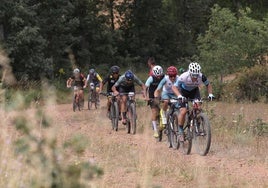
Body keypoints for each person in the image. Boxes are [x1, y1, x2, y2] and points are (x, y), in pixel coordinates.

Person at [172, 62, 215, 141]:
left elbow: (208, 85)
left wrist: (210, 94)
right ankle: (181, 131)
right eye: (193, 75)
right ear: (190, 73)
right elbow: (174, 87)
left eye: (197, 75)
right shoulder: (184, 76)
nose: (195, 77)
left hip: (194, 92)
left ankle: (196, 125)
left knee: (198, 107)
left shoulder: (201, 76)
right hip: (183, 92)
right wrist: (179, 96)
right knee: (183, 111)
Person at [145, 65, 165, 137]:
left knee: (164, 108)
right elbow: (145, 88)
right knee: (154, 112)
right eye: (157, 76)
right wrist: (146, 96)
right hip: (152, 96)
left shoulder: (164, 77)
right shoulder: (151, 78)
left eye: (160, 75)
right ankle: (155, 131)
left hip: (161, 95)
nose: (159, 77)